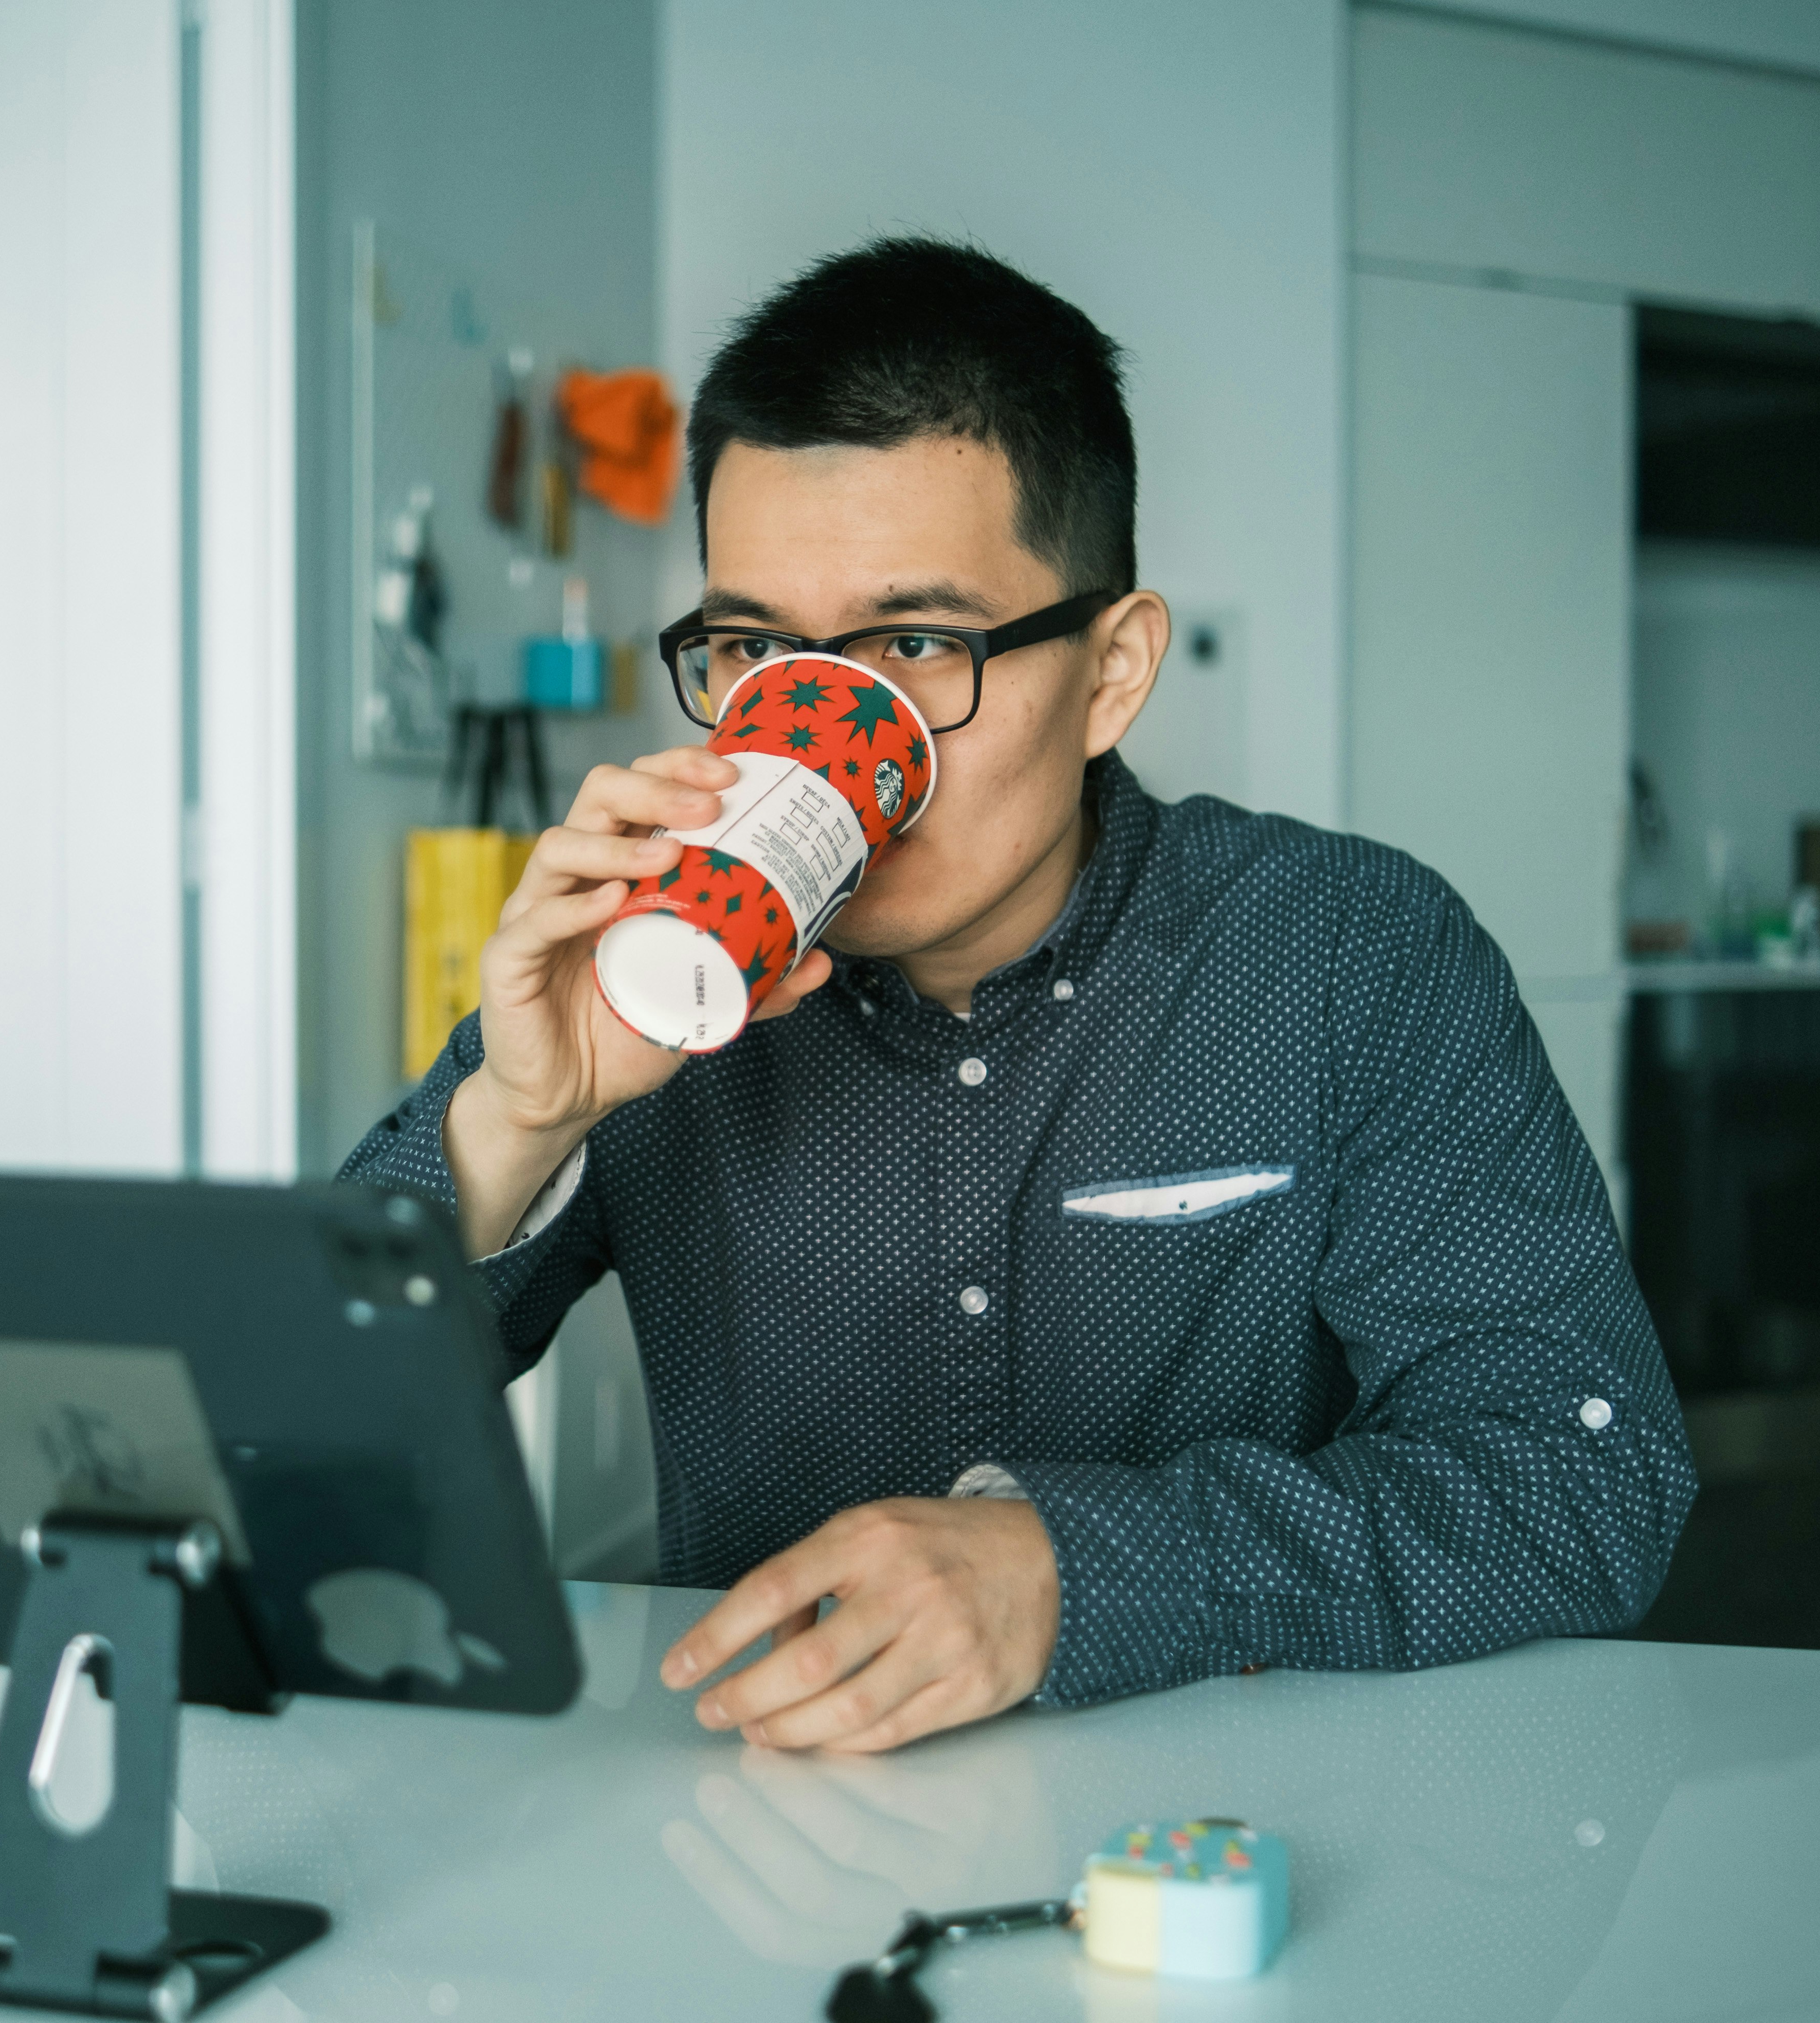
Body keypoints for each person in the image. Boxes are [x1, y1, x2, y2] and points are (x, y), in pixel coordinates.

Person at [340, 236, 1695, 1755]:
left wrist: (1082, 1570)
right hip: (767, 1833)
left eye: (916, 644)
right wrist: (524, 1116)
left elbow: (1588, 1476)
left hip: (1244, 1841)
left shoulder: (1347, 955)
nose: (818, 741)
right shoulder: (659, 971)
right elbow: (296, 1437)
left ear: (1113, 673)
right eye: (755, 652)